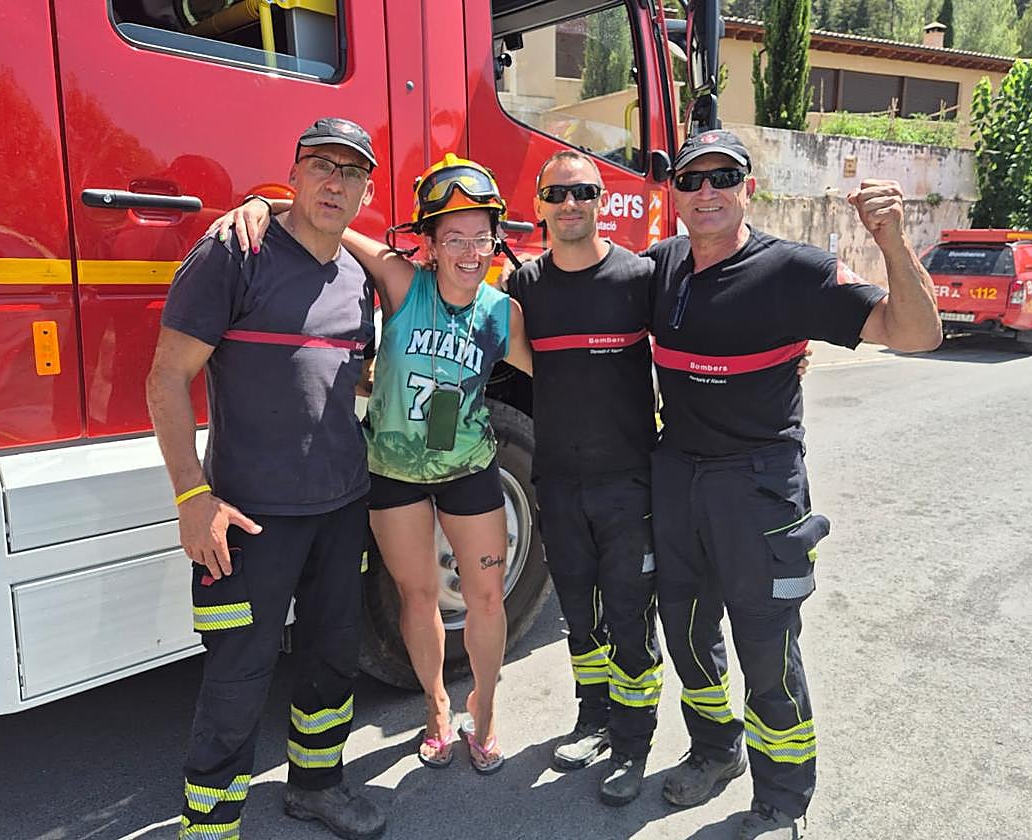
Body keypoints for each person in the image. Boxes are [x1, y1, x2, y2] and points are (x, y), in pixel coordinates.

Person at [646, 130, 940, 839]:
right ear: (674, 193)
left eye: (725, 176)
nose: (707, 191)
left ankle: (780, 801)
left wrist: (893, 242)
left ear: (750, 186)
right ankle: (715, 753)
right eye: (692, 179)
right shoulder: (659, 268)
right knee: (688, 636)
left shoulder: (795, 271)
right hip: (676, 476)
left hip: (758, 488)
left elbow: (917, 332)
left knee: (767, 652)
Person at [212, 154, 531, 774]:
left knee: (486, 597)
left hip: (470, 470)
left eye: (481, 238)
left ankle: (483, 711)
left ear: (496, 242)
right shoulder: (402, 282)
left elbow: (565, 380)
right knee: (418, 596)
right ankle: (436, 709)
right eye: (454, 239)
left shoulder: (503, 314)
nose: (470, 252)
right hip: (392, 473)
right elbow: (321, 218)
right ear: (430, 247)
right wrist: (263, 205)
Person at [146, 117, 386, 840]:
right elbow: (165, 379)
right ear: (295, 170)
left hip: (343, 508)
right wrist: (193, 497)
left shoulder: (355, 274)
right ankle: (211, 824)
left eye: (352, 172)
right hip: (249, 518)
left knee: (331, 656)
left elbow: (355, 379)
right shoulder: (235, 252)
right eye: (322, 165)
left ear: (366, 188)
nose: (335, 182)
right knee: (238, 676)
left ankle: (317, 785)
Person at [506, 150, 662, 806]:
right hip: (559, 481)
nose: (571, 205)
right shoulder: (525, 288)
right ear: (539, 204)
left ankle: (633, 740)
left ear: (603, 201)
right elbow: (522, 358)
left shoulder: (639, 277)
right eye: (558, 194)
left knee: (631, 616)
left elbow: (697, 341)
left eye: (584, 192)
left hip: (629, 481)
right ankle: (593, 718)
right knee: (580, 615)